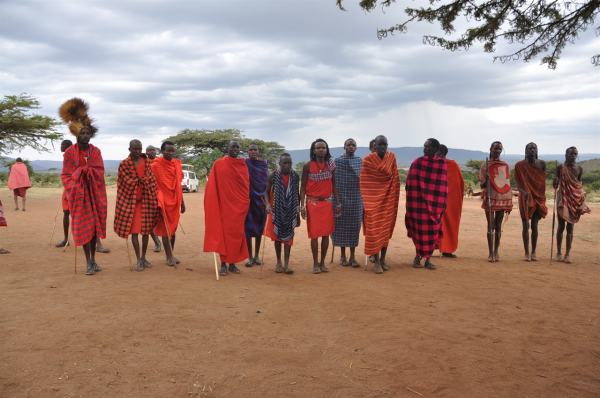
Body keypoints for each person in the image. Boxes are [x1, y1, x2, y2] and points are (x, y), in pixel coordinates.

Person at [59, 98, 108, 275]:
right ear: (77, 136)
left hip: (95, 195)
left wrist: (88, 171)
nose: (86, 136)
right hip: (79, 197)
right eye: (83, 134)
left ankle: (94, 260)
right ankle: (88, 262)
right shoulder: (70, 153)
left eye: (88, 134)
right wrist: (80, 173)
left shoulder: (96, 151)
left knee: (94, 228)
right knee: (84, 228)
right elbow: (66, 175)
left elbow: (99, 171)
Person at [204, 140, 250, 276]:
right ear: (227, 148)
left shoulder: (243, 165)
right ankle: (223, 265)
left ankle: (232, 264)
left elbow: (245, 187)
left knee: (236, 236)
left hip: (238, 207)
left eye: (237, 147)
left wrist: (243, 202)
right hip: (223, 207)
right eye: (233, 147)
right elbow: (213, 186)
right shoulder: (219, 164)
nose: (235, 149)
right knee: (223, 236)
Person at [114, 140, 159, 271]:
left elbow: (151, 180)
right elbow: (124, 183)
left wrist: (145, 184)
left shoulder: (148, 163)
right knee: (134, 232)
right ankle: (138, 259)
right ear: (129, 149)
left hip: (146, 201)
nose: (138, 151)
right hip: (132, 203)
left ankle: (144, 257)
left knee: (146, 231)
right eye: (135, 149)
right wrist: (138, 182)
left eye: (140, 149)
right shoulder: (124, 164)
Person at [300, 139, 341, 274]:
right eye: (318, 148)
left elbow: (334, 185)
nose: (321, 150)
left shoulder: (331, 166)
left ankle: (323, 263)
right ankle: (315, 264)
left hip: (327, 203)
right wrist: (302, 206)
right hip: (312, 203)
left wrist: (338, 203)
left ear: (327, 150)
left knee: (326, 235)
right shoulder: (307, 166)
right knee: (314, 235)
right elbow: (303, 187)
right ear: (313, 150)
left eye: (323, 147)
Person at [360, 135, 400, 274]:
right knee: (374, 230)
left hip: (388, 200)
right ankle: (376, 262)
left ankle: (383, 260)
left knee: (385, 230)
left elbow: (395, 177)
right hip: (372, 202)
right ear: (374, 146)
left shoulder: (392, 157)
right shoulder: (367, 160)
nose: (383, 147)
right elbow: (365, 182)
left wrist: (393, 197)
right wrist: (367, 202)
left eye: (385, 144)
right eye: (380, 145)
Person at [405, 138, 448, 270]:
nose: (424, 149)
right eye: (424, 146)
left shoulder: (441, 164)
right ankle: (418, 257)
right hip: (419, 205)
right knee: (419, 231)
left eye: (427, 147)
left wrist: (442, 204)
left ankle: (428, 259)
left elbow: (443, 186)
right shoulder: (417, 163)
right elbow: (409, 184)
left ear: (435, 149)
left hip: (435, 206)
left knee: (432, 232)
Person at [553, 146, 591, 264]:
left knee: (570, 227)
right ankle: (559, 252)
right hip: (563, 200)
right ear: (566, 155)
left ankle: (567, 254)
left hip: (574, 201)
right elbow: (555, 185)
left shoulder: (580, 168)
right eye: (571, 154)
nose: (573, 156)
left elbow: (578, 185)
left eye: (575, 154)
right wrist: (555, 183)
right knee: (560, 227)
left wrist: (581, 200)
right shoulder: (560, 168)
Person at [264, 153, 300, 274]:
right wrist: (268, 205)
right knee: (277, 237)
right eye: (284, 163)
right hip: (276, 210)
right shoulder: (272, 176)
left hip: (290, 211)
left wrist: (298, 214)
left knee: (289, 237)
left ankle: (286, 264)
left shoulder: (295, 176)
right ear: (279, 163)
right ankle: (278, 262)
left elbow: (297, 195)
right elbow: (266, 192)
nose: (287, 165)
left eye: (289, 163)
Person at [151, 141, 185, 266]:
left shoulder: (176, 164)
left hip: (175, 202)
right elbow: (152, 186)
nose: (171, 153)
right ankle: (168, 257)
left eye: (172, 151)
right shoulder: (155, 166)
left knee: (173, 229)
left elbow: (178, 185)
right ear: (162, 152)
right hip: (163, 202)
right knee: (166, 230)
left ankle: (172, 253)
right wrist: (157, 200)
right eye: (168, 151)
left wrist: (182, 202)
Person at [331, 138, 363, 267]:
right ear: (344, 147)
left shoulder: (360, 162)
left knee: (354, 228)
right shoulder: (337, 161)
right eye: (348, 145)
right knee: (341, 228)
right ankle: (342, 255)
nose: (351, 147)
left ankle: (353, 257)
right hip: (340, 199)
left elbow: (364, 180)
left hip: (356, 200)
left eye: (353, 145)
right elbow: (333, 181)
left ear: (356, 147)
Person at [479, 141, 512, 262]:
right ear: (491, 149)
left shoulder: (505, 165)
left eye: (500, 149)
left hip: (502, 198)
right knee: (490, 225)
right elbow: (482, 185)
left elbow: (506, 183)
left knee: (498, 226)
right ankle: (490, 252)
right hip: (489, 197)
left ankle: (496, 252)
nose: (497, 151)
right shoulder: (484, 166)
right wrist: (486, 179)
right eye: (495, 149)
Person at [514, 143, 547, 262]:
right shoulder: (519, 165)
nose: (532, 150)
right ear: (526, 151)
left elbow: (542, 182)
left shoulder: (542, 164)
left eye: (534, 148)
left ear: (537, 150)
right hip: (525, 197)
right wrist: (524, 192)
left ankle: (533, 252)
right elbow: (518, 183)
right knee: (525, 224)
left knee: (535, 225)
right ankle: (526, 253)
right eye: (530, 149)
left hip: (538, 197)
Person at [435, 145, 464, 258]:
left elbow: (458, 185)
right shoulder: (434, 164)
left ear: (442, 153)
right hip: (435, 200)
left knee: (449, 223)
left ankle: (447, 249)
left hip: (450, 201)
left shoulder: (452, 165)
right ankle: (431, 247)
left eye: (436, 153)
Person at [244, 143, 269, 267]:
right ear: (247, 152)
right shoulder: (244, 163)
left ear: (258, 152)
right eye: (251, 150)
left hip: (261, 201)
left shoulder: (263, 164)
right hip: (248, 200)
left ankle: (257, 256)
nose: (253, 152)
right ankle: (249, 256)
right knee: (247, 229)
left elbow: (266, 183)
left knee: (259, 228)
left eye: (255, 150)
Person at [146, 145, 161, 253]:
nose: (152, 152)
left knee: (162, 220)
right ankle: (157, 242)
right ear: (146, 153)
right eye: (149, 150)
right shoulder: (144, 164)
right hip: (147, 195)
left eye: (153, 150)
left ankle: (166, 242)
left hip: (160, 195)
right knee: (149, 221)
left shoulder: (161, 163)